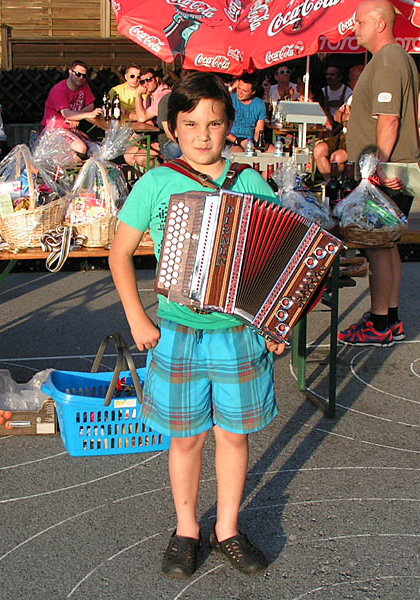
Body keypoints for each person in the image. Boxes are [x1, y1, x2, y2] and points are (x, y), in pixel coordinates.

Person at [108, 71, 282, 580]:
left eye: (214, 122)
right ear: (170, 128)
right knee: (185, 438)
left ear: (230, 125)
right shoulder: (157, 181)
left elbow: (274, 256)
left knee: (233, 434)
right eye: (191, 124)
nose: (203, 134)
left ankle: (227, 527)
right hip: (177, 332)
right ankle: (186, 527)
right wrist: (136, 315)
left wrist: (273, 323)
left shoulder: (249, 182)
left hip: (237, 333)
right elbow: (119, 254)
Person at [338, 0, 420, 347]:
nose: (354, 28)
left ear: (380, 24)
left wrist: (377, 168)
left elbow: (389, 119)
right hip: (387, 168)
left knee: (378, 248)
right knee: (389, 246)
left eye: (359, 22)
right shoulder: (389, 59)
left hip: (386, 172)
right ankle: (390, 318)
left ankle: (380, 322)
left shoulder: (388, 59)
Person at [41, 60, 102, 159]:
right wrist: (86, 115)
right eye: (78, 74)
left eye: (84, 76)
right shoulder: (59, 89)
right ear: (70, 72)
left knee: (95, 149)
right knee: (81, 148)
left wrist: (75, 117)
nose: (81, 78)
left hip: (71, 128)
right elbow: (66, 113)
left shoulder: (84, 86)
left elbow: (90, 105)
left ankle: (77, 168)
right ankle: (61, 167)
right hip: (55, 130)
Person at [313, 64, 364, 179]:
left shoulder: (367, 98)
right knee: (319, 149)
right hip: (343, 136)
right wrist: (345, 116)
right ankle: (329, 183)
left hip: (357, 139)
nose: (350, 84)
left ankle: (336, 185)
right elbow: (337, 117)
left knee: (336, 158)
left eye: (351, 80)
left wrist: (346, 116)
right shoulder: (352, 97)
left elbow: (354, 119)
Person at [124, 68, 171, 168]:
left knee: (141, 158)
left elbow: (141, 117)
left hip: (166, 138)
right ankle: (146, 179)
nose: (146, 84)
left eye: (149, 80)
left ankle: (160, 178)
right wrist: (144, 117)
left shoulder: (163, 95)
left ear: (157, 79)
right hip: (153, 137)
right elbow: (134, 115)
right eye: (142, 82)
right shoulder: (150, 96)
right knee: (128, 155)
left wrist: (138, 94)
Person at [226, 73, 269, 152]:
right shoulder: (230, 100)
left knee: (274, 151)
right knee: (238, 152)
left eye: (244, 91)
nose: (240, 93)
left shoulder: (259, 104)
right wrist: (238, 141)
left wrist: (257, 145)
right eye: (239, 88)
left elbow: (259, 131)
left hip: (250, 141)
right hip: (232, 140)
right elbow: (223, 129)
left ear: (253, 92)